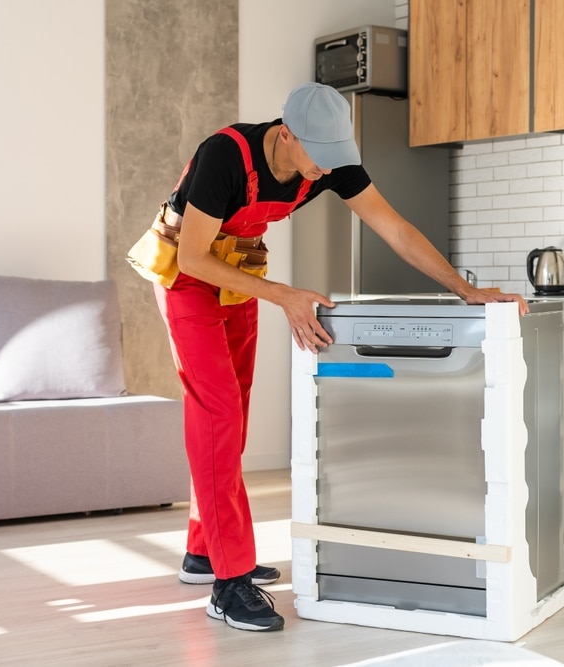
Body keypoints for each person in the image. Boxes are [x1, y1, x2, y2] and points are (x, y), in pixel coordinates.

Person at [150, 82, 528, 633]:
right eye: (317, 160)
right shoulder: (225, 156)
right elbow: (192, 257)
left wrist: (463, 290)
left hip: (240, 281)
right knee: (218, 415)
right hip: (189, 280)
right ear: (286, 136)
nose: (326, 172)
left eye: (333, 161)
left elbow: (394, 226)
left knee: (232, 421)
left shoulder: (329, 160)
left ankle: (204, 551)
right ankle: (228, 584)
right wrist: (285, 296)